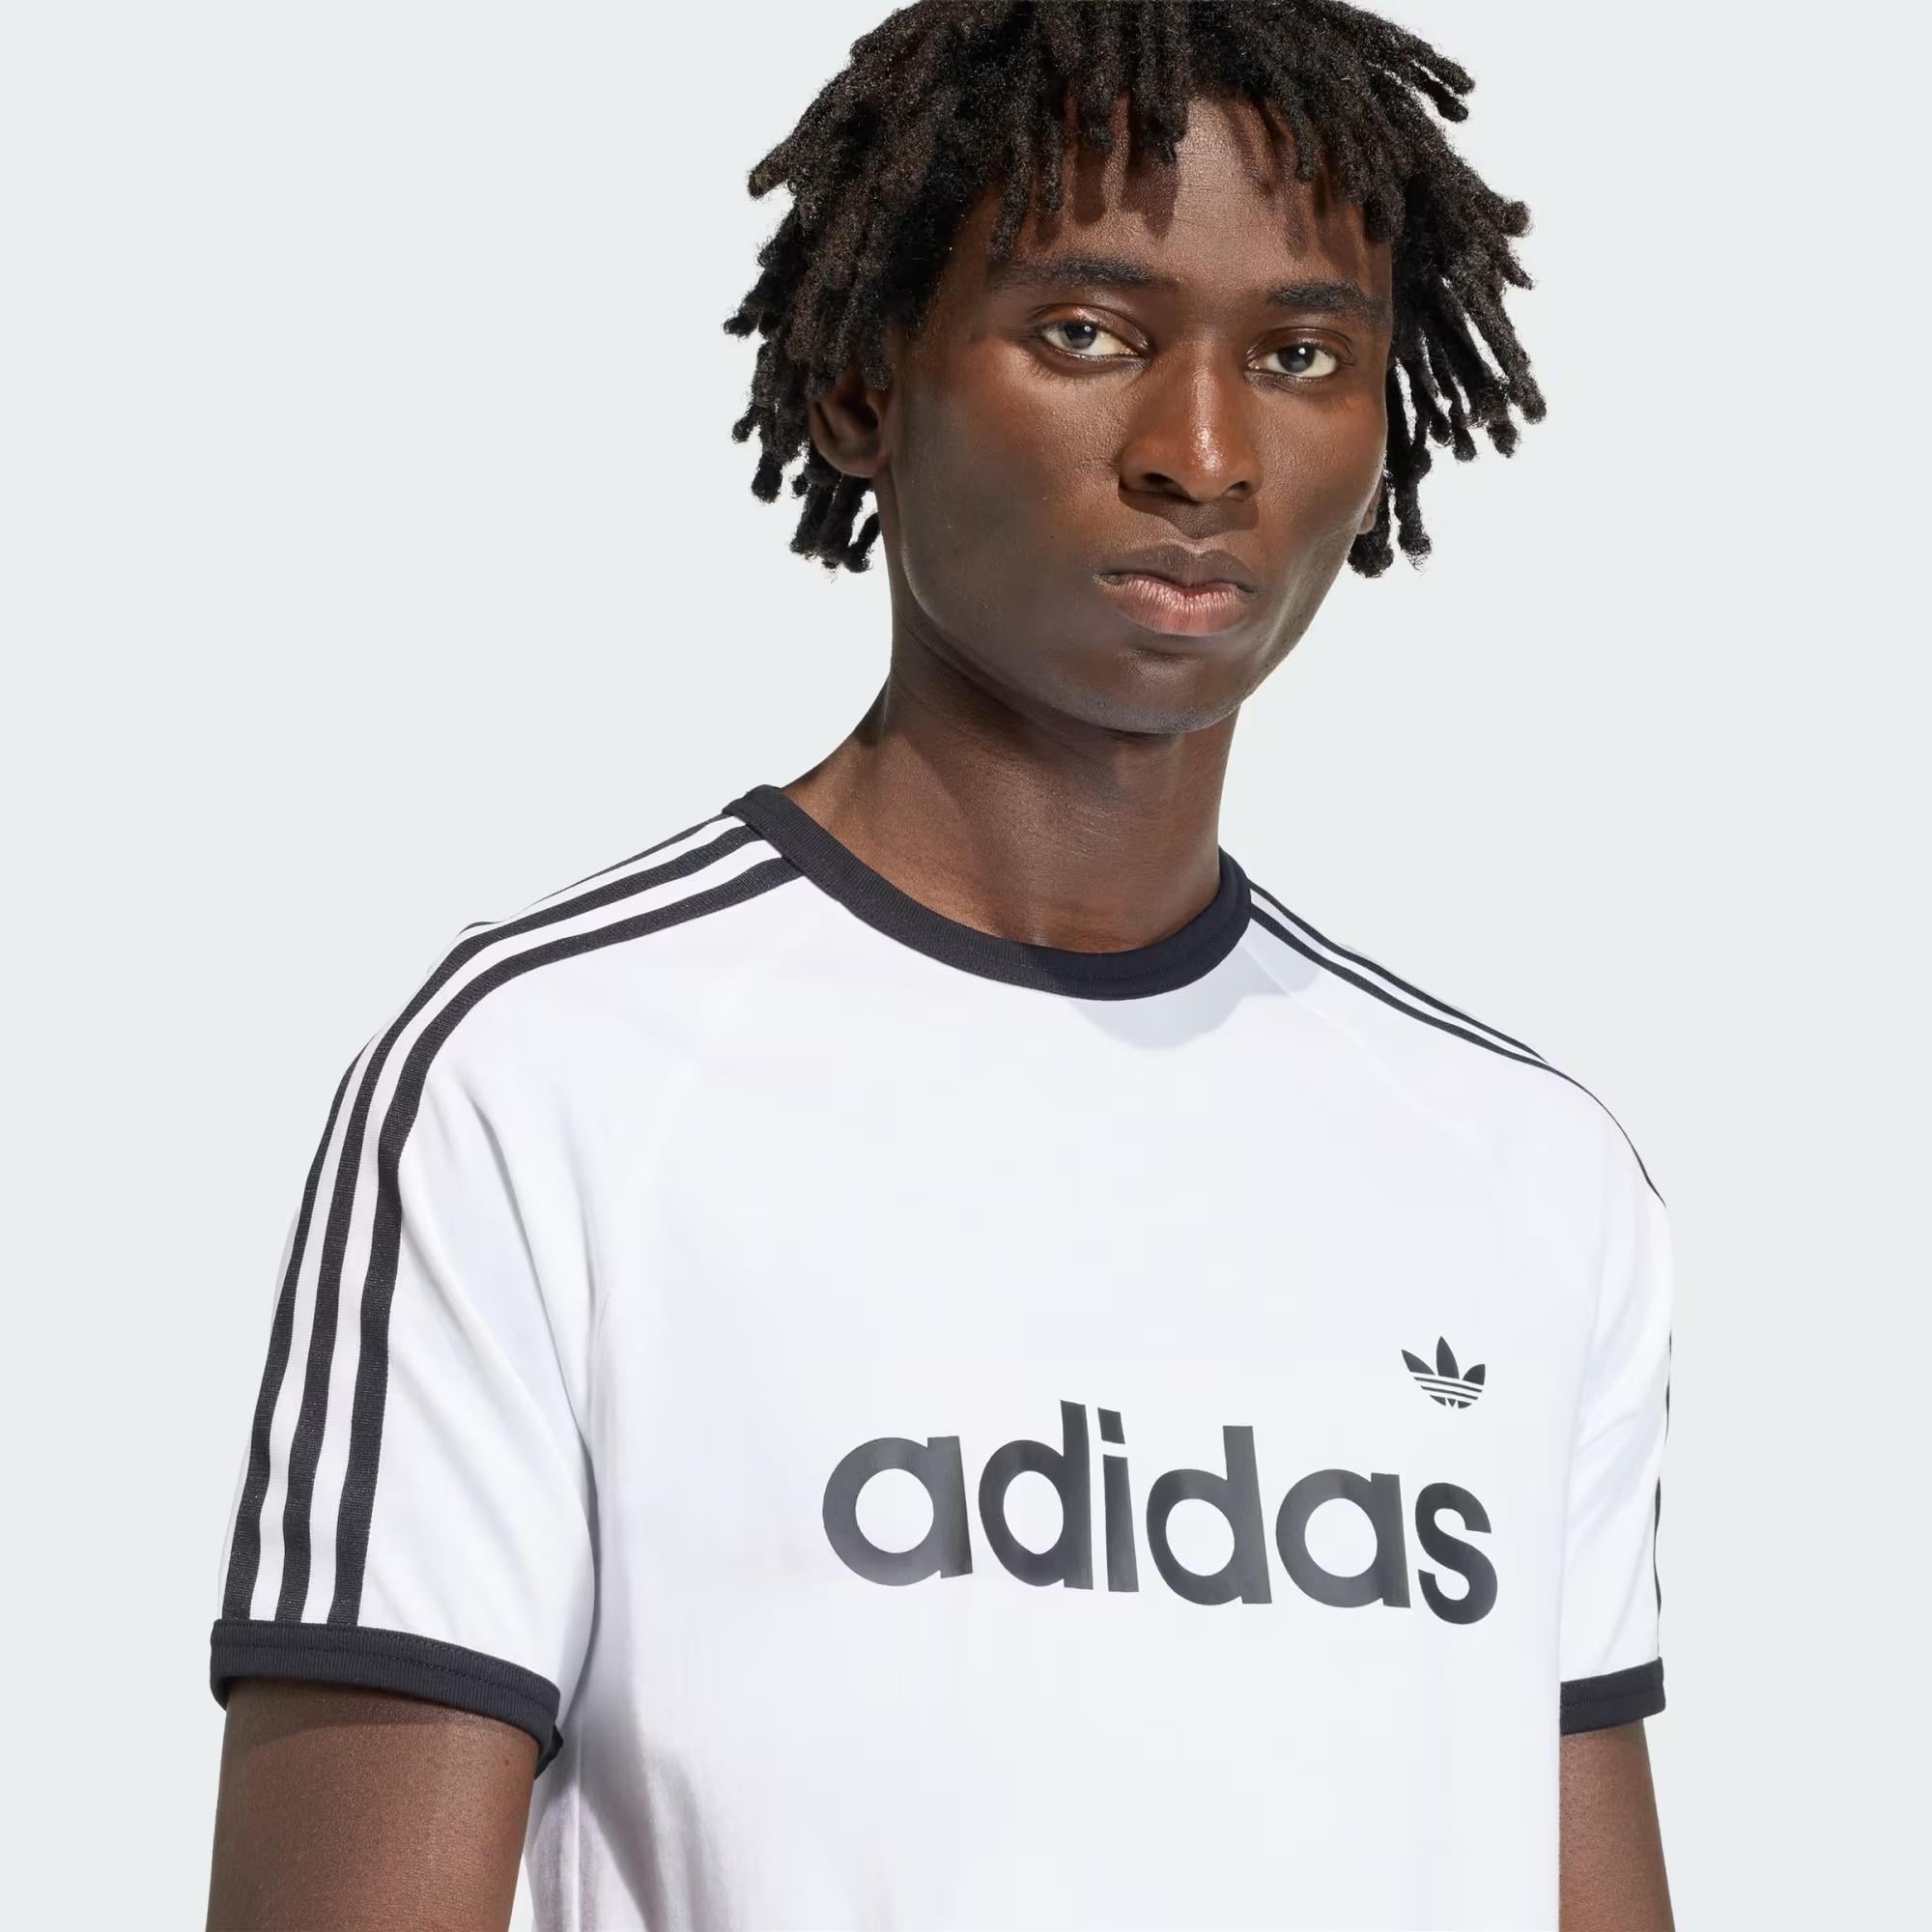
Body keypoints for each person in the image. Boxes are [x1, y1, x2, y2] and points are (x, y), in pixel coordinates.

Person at [204, 3, 1676, 1927]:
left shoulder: (1525, 1171)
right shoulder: (548, 1082)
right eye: (1087, 333)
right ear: (858, 387)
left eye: (1300, 355)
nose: (1203, 454)